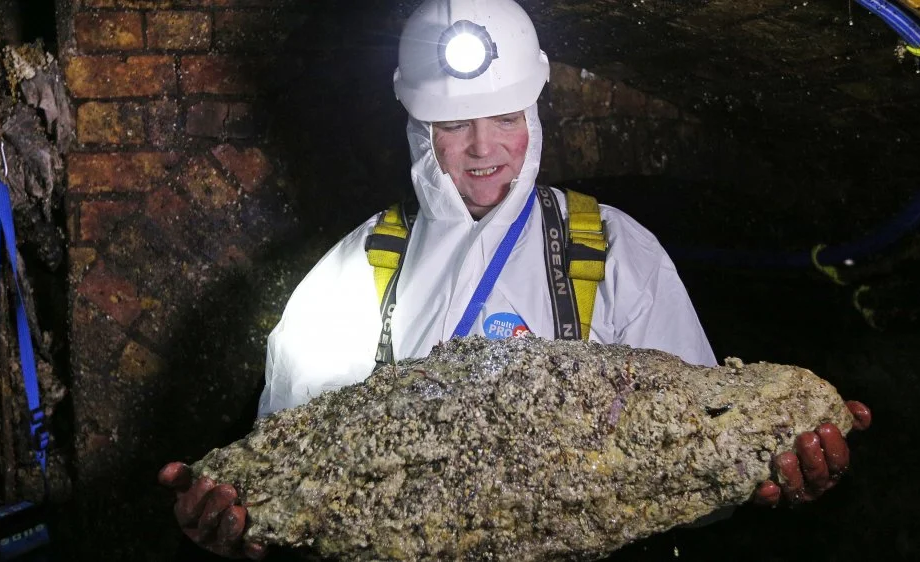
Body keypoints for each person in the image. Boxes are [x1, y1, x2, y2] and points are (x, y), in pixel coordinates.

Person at [158, 0, 872, 558]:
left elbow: (701, 460)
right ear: (416, 126)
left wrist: (776, 470)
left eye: (506, 117)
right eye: (454, 123)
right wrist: (233, 522)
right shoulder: (353, 275)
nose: (484, 149)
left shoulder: (614, 250)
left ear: (534, 111)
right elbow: (281, 486)